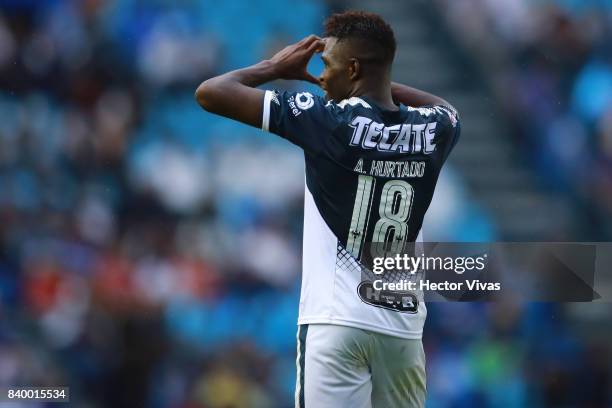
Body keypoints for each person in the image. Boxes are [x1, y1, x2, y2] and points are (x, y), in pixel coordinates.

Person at [195, 10, 460, 408]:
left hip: (335, 322)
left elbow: (210, 92)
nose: (321, 77)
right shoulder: (434, 129)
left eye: (327, 65)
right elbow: (445, 107)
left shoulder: (328, 119)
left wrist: (274, 67)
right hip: (402, 328)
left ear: (353, 69)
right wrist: (377, 80)